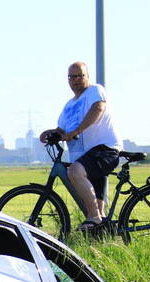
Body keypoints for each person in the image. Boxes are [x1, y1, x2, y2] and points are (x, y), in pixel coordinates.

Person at [39, 62, 122, 230]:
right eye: (71, 77)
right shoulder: (69, 105)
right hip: (85, 156)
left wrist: (77, 130)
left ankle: (93, 218)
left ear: (87, 77)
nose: (75, 80)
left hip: (104, 149)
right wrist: (50, 133)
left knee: (74, 171)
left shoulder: (94, 91)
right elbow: (62, 129)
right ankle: (101, 231)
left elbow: (98, 108)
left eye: (79, 76)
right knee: (99, 210)